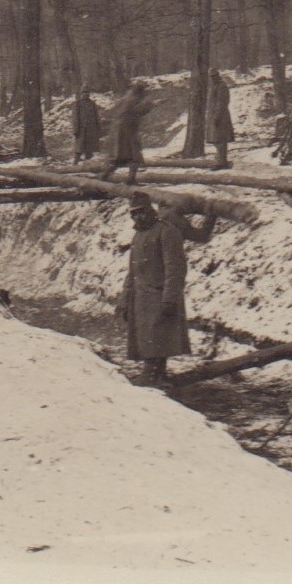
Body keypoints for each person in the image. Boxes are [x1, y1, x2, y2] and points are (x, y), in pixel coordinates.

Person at [117, 192, 191, 385]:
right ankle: (156, 375)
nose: (138, 217)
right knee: (148, 336)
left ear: (151, 211)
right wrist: (125, 299)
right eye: (134, 214)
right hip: (141, 297)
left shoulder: (166, 232)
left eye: (141, 212)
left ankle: (151, 374)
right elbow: (132, 271)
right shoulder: (137, 236)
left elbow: (175, 268)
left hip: (160, 295)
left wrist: (169, 298)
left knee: (158, 335)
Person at [99, 81, 153, 183]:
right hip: (127, 131)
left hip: (120, 132)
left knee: (118, 158)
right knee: (134, 157)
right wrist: (149, 105)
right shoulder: (133, 99)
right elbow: (137, 111)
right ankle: (130, 179)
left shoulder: (126, 98)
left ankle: (104, 177)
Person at [206, 69, 234, 169]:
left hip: (221, 117)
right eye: (211, 77)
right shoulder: (214, 86)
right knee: (216, 140)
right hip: (214, 116)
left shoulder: (222, 86)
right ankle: (220, 159)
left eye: (214, 76)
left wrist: (217, 117)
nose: (212, 78)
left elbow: (221, 103)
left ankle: (222, 162)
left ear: (218, 76)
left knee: (220, 140)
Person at [72, 88, 102, 162]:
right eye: (84, 92)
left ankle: (87, 166)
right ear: (81, 94)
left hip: (91, 130)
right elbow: (75, 118)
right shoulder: (78, 104)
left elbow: (97, 117)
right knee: (79, 150)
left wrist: (98, 128)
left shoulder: (92, 104)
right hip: (81, 130)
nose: (86, 94)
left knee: (89, 150)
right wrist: (75, 130)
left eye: (87, 92)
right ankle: (75, 164)